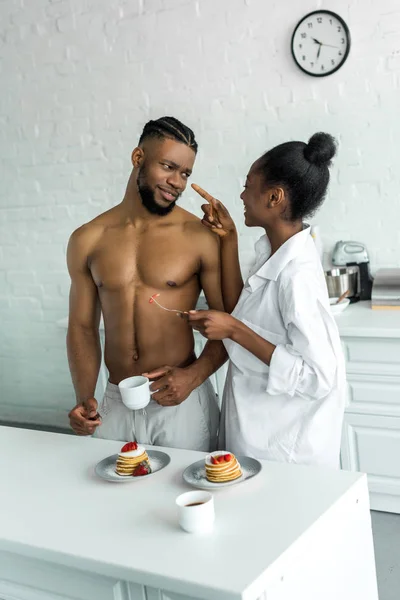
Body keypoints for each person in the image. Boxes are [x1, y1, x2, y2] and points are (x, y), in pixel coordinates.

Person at [67, 116, 226, 451]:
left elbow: (230, 323)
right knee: (110, 498)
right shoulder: (88, 239)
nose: (177, 182)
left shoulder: (199, 236)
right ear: (138, 158)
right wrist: (85, 397)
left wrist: (194, 376)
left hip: (180, 400)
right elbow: (82, 327)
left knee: (185, 497)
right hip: (116, 400)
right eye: (168, 166)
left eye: (186, 173)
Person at [188, 132, 346, 468]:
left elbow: (318, 378)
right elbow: (241, 310)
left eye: (248, 185)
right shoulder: (273, 253)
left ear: (274, 197)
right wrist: (228, 238)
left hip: (284, 446)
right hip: (258, 430)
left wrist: (234, 331)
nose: (242, 195)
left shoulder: (296, 276)